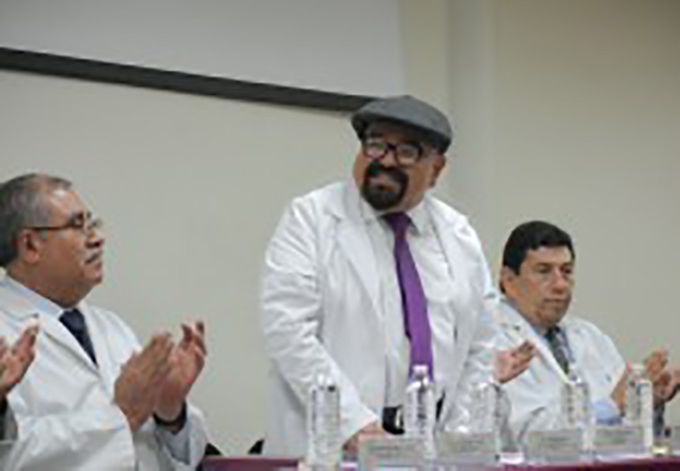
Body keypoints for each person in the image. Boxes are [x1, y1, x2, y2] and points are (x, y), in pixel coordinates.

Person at [260, 95, 497, 457]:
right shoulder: (311, 218)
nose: (385, 160)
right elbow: (288, 330)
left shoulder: (458, 235)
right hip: (335, 444)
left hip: (433, 446)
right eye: (375, 145)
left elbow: (481, 346)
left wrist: (458, 435)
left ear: (436, 169)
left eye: (407, 151)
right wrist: (353, 425)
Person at [0, 173, 209, 470]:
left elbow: (173, 455)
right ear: (30, 245)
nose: (98, 238)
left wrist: (169, 411)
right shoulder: (5, 333)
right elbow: (10, 453)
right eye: (78, 225)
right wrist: (121, 414)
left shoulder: (112, 328)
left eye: (93, 223)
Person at [493, 220, 680, 443]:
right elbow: (528, 434)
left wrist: (644, 405)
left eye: (566, 271)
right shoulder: (493, 340)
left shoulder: (589, 336)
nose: (560, 285)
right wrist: (613, 405)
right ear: (509, 280)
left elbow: (627, 437)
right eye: (543, 271)